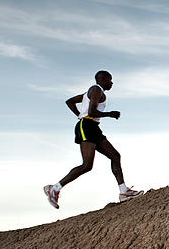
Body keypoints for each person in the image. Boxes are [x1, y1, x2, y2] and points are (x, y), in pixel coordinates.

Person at [43, 70, 142, 208]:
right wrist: (109, 114)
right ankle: (54, 188)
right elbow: (91, 112)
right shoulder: (96, 90)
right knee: (87, 165)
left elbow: (70, 102)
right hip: (87, 126)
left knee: (114, 155)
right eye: (110, 80)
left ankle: (123, 191)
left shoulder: (90, 93)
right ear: (102, 79)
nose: (111, 83)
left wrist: (80, 115)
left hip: (92, 126)